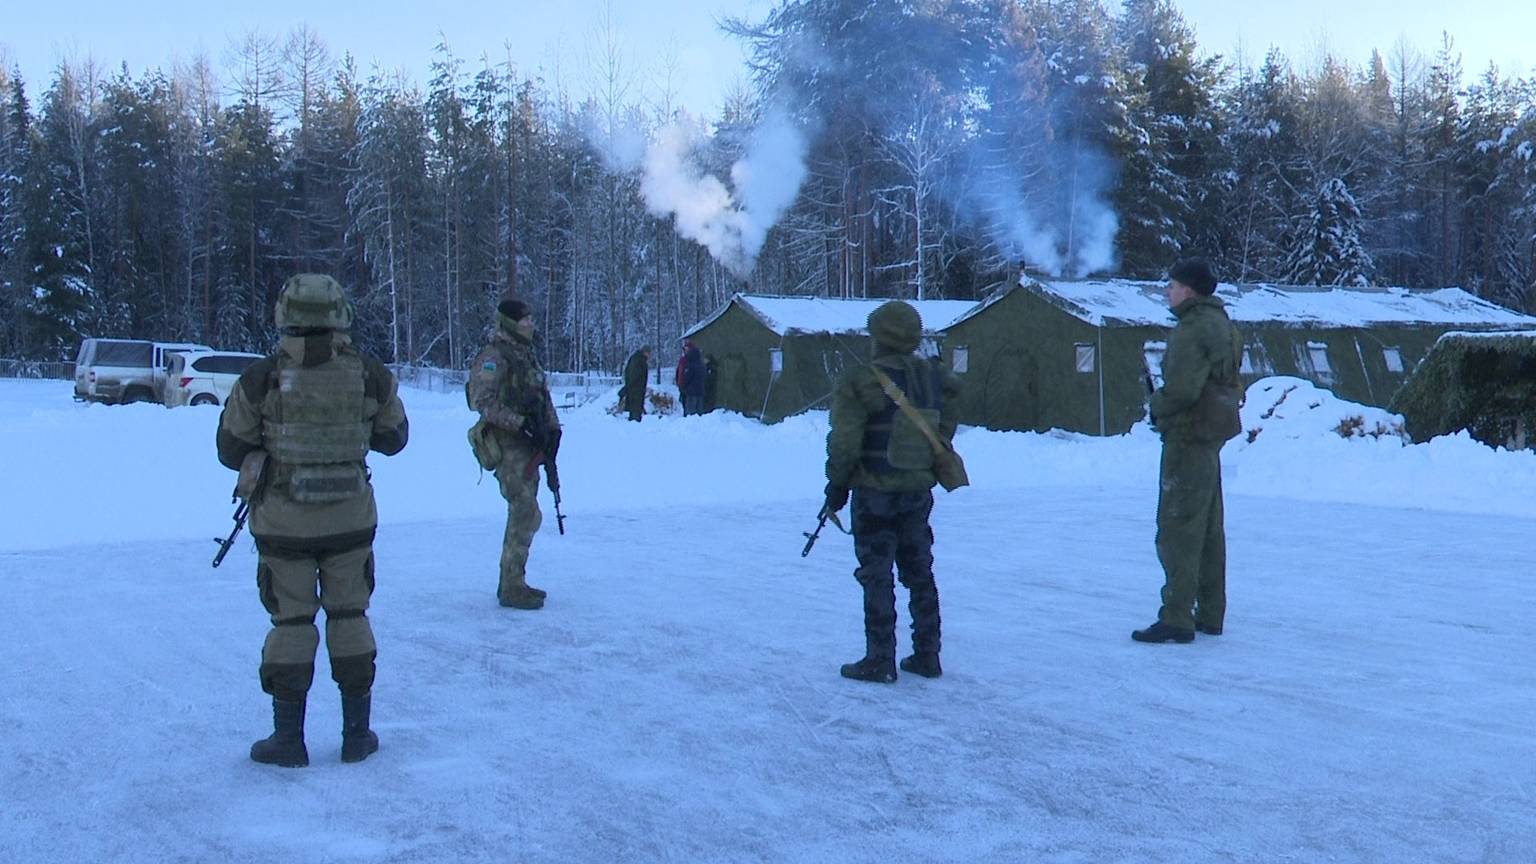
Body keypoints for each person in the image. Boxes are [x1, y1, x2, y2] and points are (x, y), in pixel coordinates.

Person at [216, 273, 409, 767]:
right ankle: (356, 736)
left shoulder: (259, 378)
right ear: (341, 315)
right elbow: (394, 439)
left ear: (285, 317)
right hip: (350, 520)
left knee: (292, 619)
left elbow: (229, 448)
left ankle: (288, 740)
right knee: (350, 615)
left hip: (283, 525)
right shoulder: (370, 374)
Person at [822, 301, 959, 683]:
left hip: (875, 491)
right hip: (917, 489)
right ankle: (927, 654)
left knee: (876, 573)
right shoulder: (933, 377)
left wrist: (836, 485)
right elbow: (945, 427)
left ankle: (880, 658)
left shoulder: (863, 379)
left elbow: (845, 441)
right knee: (920, 571)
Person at [1134, 258, 1243, 644]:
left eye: (1173, 285)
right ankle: (1210, 613)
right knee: (1209, 529)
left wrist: (1156, 406)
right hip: (1211, 436)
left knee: (1178, 528)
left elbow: (1181, 390)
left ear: (1190, 290)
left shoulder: (1191, 330)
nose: (1169, 291)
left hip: (1187, 436)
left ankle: (1177, 616)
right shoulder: (1224, 325)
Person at [467, 295, 560, 610]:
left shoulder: (527, 356)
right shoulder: (494, 356)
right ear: (509, 323)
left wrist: (553, 429)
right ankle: (511, 586)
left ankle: (515, 580)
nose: (530, 324)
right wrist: (520, 424)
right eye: (524, 320)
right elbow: (482, 400)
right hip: (508, 445)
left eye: (531, 319)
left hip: (530, 447)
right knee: (524, 510)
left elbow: (542, 396)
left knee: (528, 513)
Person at [622, 346, 650, 422]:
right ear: (645, 352)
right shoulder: (639, 360)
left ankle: (633, 422)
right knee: (636, 410)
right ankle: (635, 425)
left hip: (635, 389)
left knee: (634, 410)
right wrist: (629, 386)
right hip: (636, 390)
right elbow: (634, 375)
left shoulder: (636, 358)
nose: (649, 356)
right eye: (649, 353)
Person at [680, 340, 706, 416]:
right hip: (700, 391)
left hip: (691, 392)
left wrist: (683, 386)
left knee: (690, 414)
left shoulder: (690, 364)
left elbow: (686, 378)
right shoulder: (701, 364)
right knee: (699, 413)